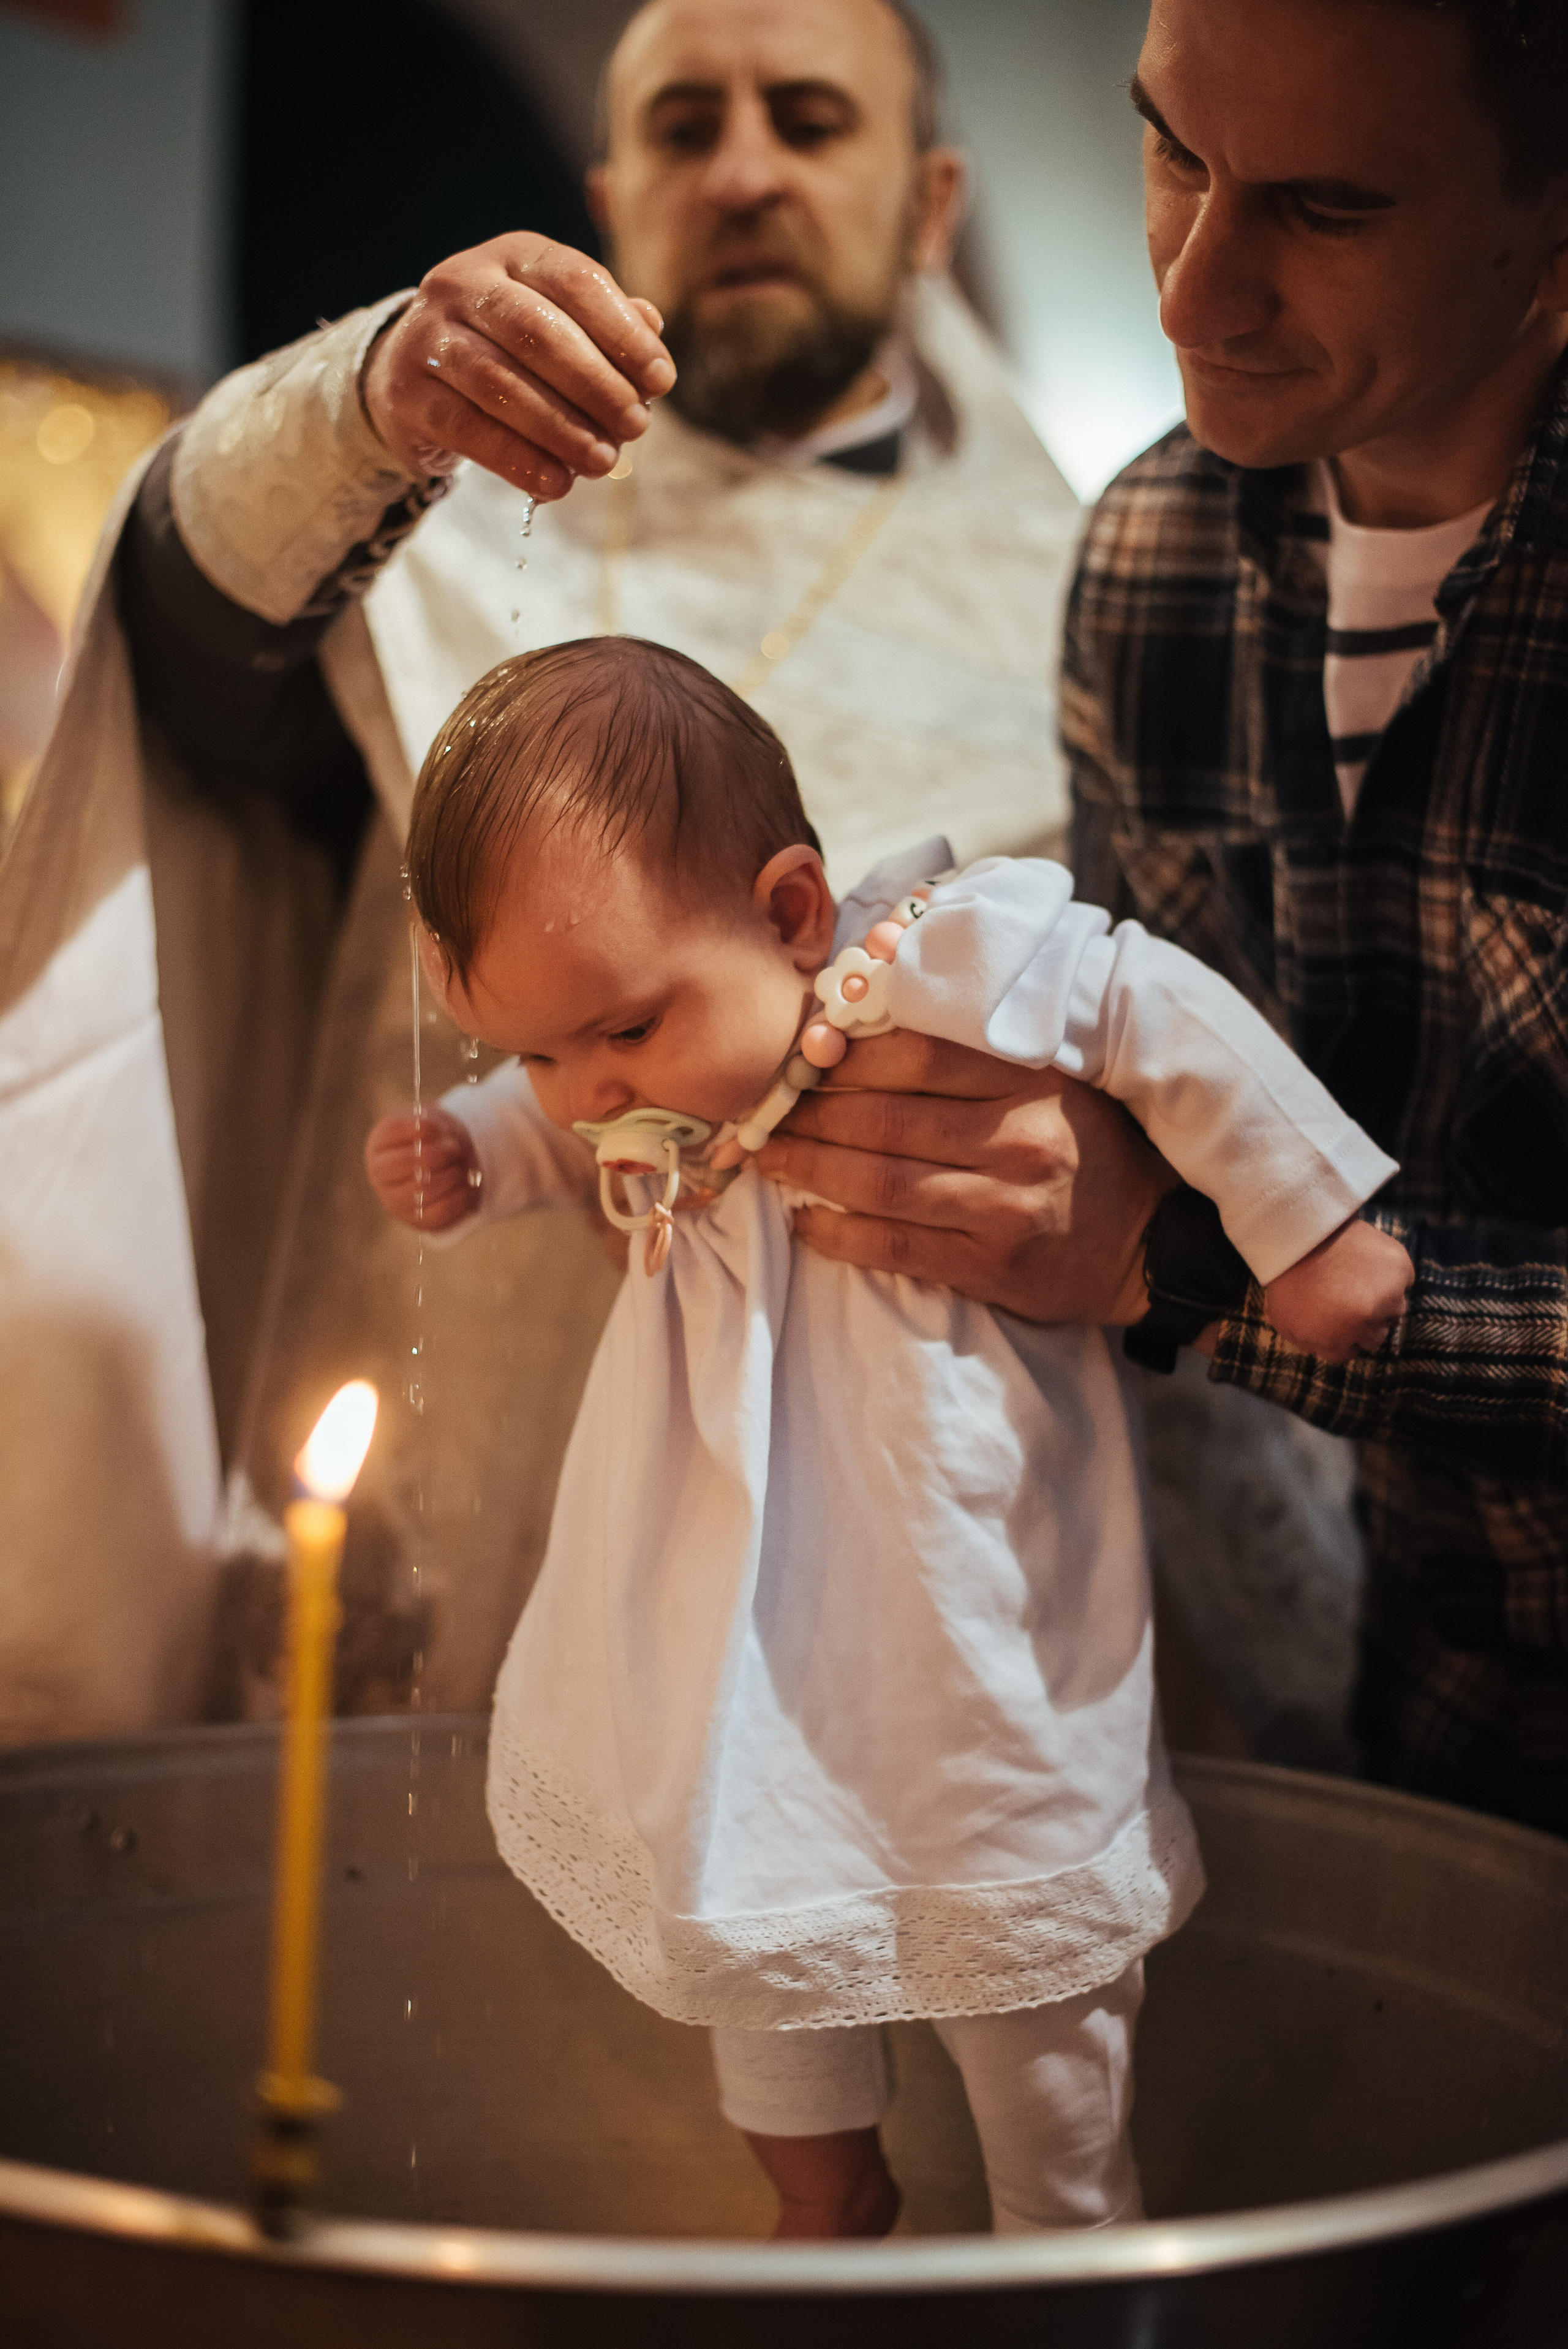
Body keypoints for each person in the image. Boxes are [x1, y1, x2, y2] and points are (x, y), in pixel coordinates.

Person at [0, 0, 1096, 1741]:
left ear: (932, 200)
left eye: (811, 120)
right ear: (611, 195)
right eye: (684, 126)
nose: (743, 171)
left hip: (879, 1532)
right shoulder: (434, 500)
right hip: (449, 1458)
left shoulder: (1083, 603)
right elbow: (186, 687)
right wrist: (368, 394)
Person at [363, 634, 1408, 2237]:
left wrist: (1304, 1218)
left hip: (962, 1608)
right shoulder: (641, 1076)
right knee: (746, 1889)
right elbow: (570, 1106)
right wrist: (480, 1149)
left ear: (792, 914)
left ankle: (1067, 2234)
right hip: (733, 1622)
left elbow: (1152, 1006)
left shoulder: (929, 964)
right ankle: (827, 2195)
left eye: (620, 1035)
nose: (581, 1096)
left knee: (1024, 1973)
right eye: (533, 1054)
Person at [758, 0, 1568, 1835]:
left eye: (1328, 208)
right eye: (1174, 152)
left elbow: (1167, 1236)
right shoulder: (1155, 557)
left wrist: (1194, 1264)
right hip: (1432, 1693)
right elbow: (1124, 1066)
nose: (1194, 294)